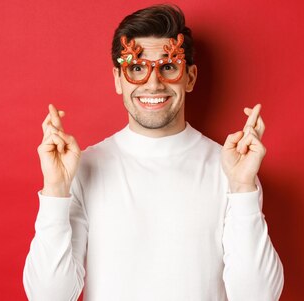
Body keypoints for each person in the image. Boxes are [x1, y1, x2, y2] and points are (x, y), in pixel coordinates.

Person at [23, 4, 284, 301]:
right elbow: (47, 296)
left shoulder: (231, 169)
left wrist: (242, 188)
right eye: (136, 68)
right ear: (118, 79)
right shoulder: (85, 167)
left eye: (168, 66)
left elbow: (260, 296)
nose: (153, 82)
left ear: (190, 77)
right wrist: (56, 190)